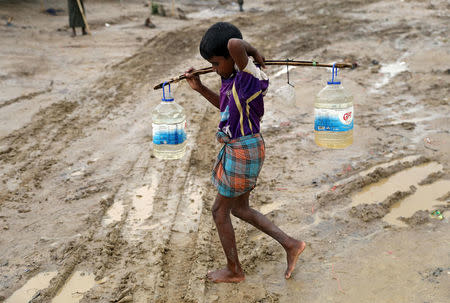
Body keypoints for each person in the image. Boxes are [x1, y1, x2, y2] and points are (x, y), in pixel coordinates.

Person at [185, 22, 305, 283]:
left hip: (243, 150)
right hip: (243, 148)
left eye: (217, 64)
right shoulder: (232, 79)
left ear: (233, 59)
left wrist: (254, 52)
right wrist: (201, 88)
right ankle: (291, 244)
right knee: (239, 209)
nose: (215, 69)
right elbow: (226, 107)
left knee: (220, 211)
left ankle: (235, 271)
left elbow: (235, 44)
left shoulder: (251, 77)